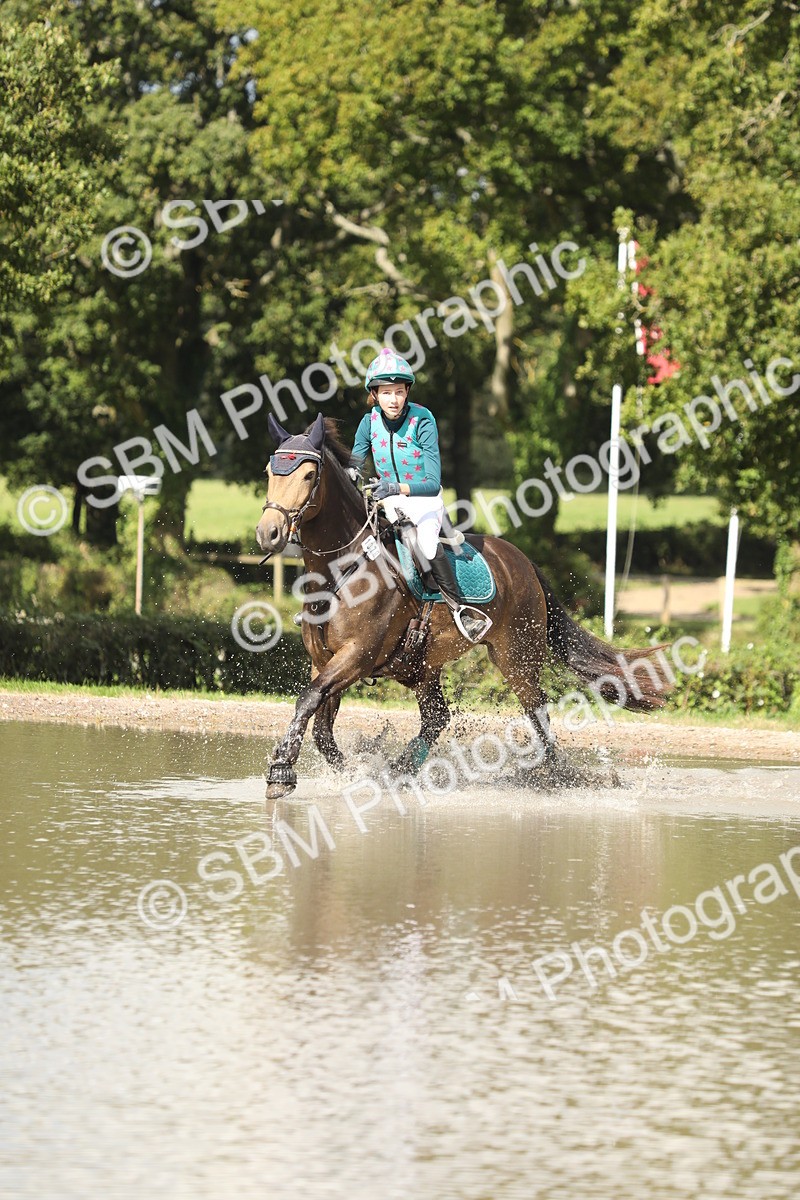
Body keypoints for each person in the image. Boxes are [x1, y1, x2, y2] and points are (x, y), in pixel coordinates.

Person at [348, 348, 492, 643]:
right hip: (386, 501)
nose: (393, 399)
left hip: (422, 500)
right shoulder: (368, 422)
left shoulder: (422, 420)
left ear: (407, 392)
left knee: (425, 544)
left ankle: (461, 610)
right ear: (374, 394)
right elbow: (354, 462)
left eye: (399, 392)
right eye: (386, 393)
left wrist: (396, 488)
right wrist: (349, 474)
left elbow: (432, 481)